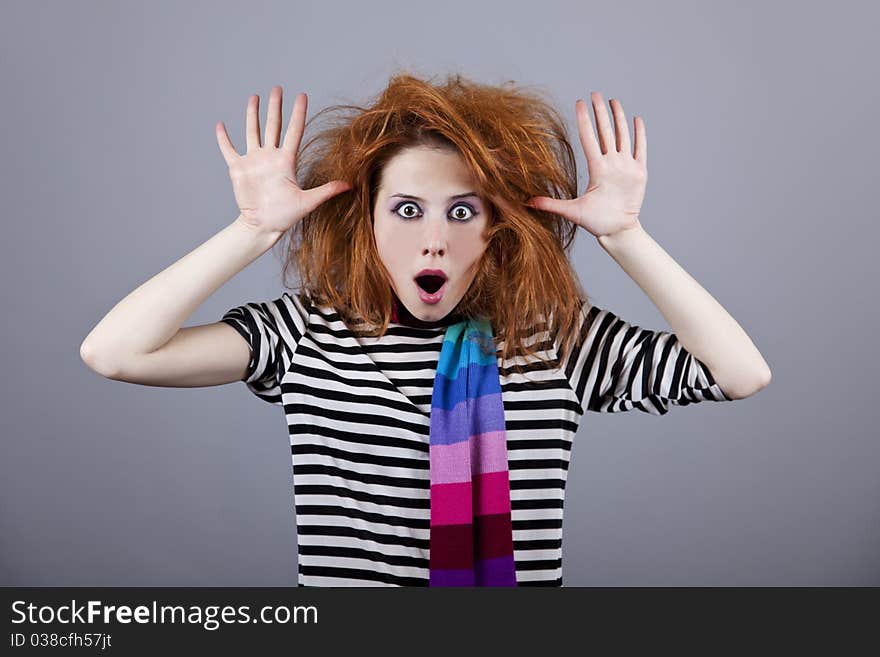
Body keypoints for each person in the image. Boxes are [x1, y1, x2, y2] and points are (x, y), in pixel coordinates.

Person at [80, 72, 771, 587]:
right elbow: (115, 352)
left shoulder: (554, 340)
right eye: (407, 210)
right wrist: (251, 231)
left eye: (463, 212)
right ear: (369, 223)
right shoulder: (304, 334)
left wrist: (627, 237)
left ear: (496, 228)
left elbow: (740, 373)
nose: (433, 241)